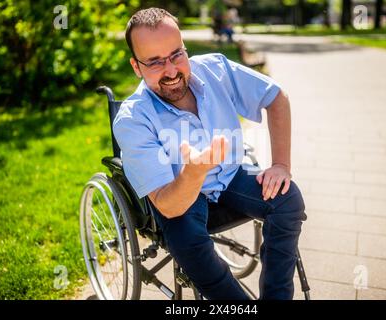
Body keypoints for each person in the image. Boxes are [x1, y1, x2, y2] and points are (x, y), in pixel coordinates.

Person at [114, 7, 307, 300]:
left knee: (287, 198)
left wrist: (281, 164)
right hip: (179, 194)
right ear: (136, 67)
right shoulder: (132, 119)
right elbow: (167, 205)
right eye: (154, 62)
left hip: (230, 174)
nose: (171, 71)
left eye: (176, 55)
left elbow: (276, 97)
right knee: (187, 241)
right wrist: (194, 170)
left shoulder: (216, 69)